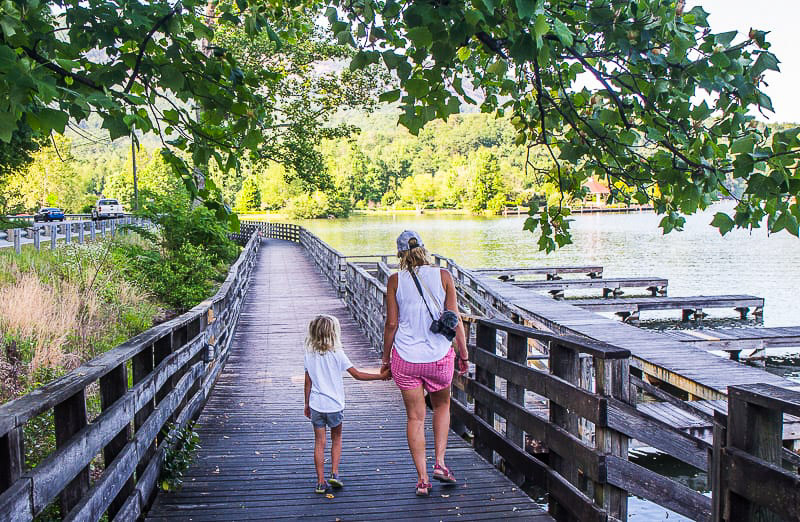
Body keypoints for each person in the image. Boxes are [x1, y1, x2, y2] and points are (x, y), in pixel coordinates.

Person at [382, 230, 469, 496]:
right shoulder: (443, 276)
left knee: (415, 417)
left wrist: (385, 358)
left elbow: (392, 324)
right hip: (438, 357)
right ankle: (440, 464)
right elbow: (455, 320)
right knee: (442, 407)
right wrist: (463, 355)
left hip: (406, 358)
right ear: (423, 249)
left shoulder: (395, 280)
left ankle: (422, 479)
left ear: (400, 254)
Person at [303, 314, 389, 494]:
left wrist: (306, 404)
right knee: (336, 438)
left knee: (320, 442)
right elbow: (357, 375)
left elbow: (307, 382)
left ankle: (320, 482)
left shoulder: (309, 354)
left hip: (316, 405)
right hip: (334, 405)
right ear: (334, 333)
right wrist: (380, 376)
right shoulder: (337, 353)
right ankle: (334, 473)